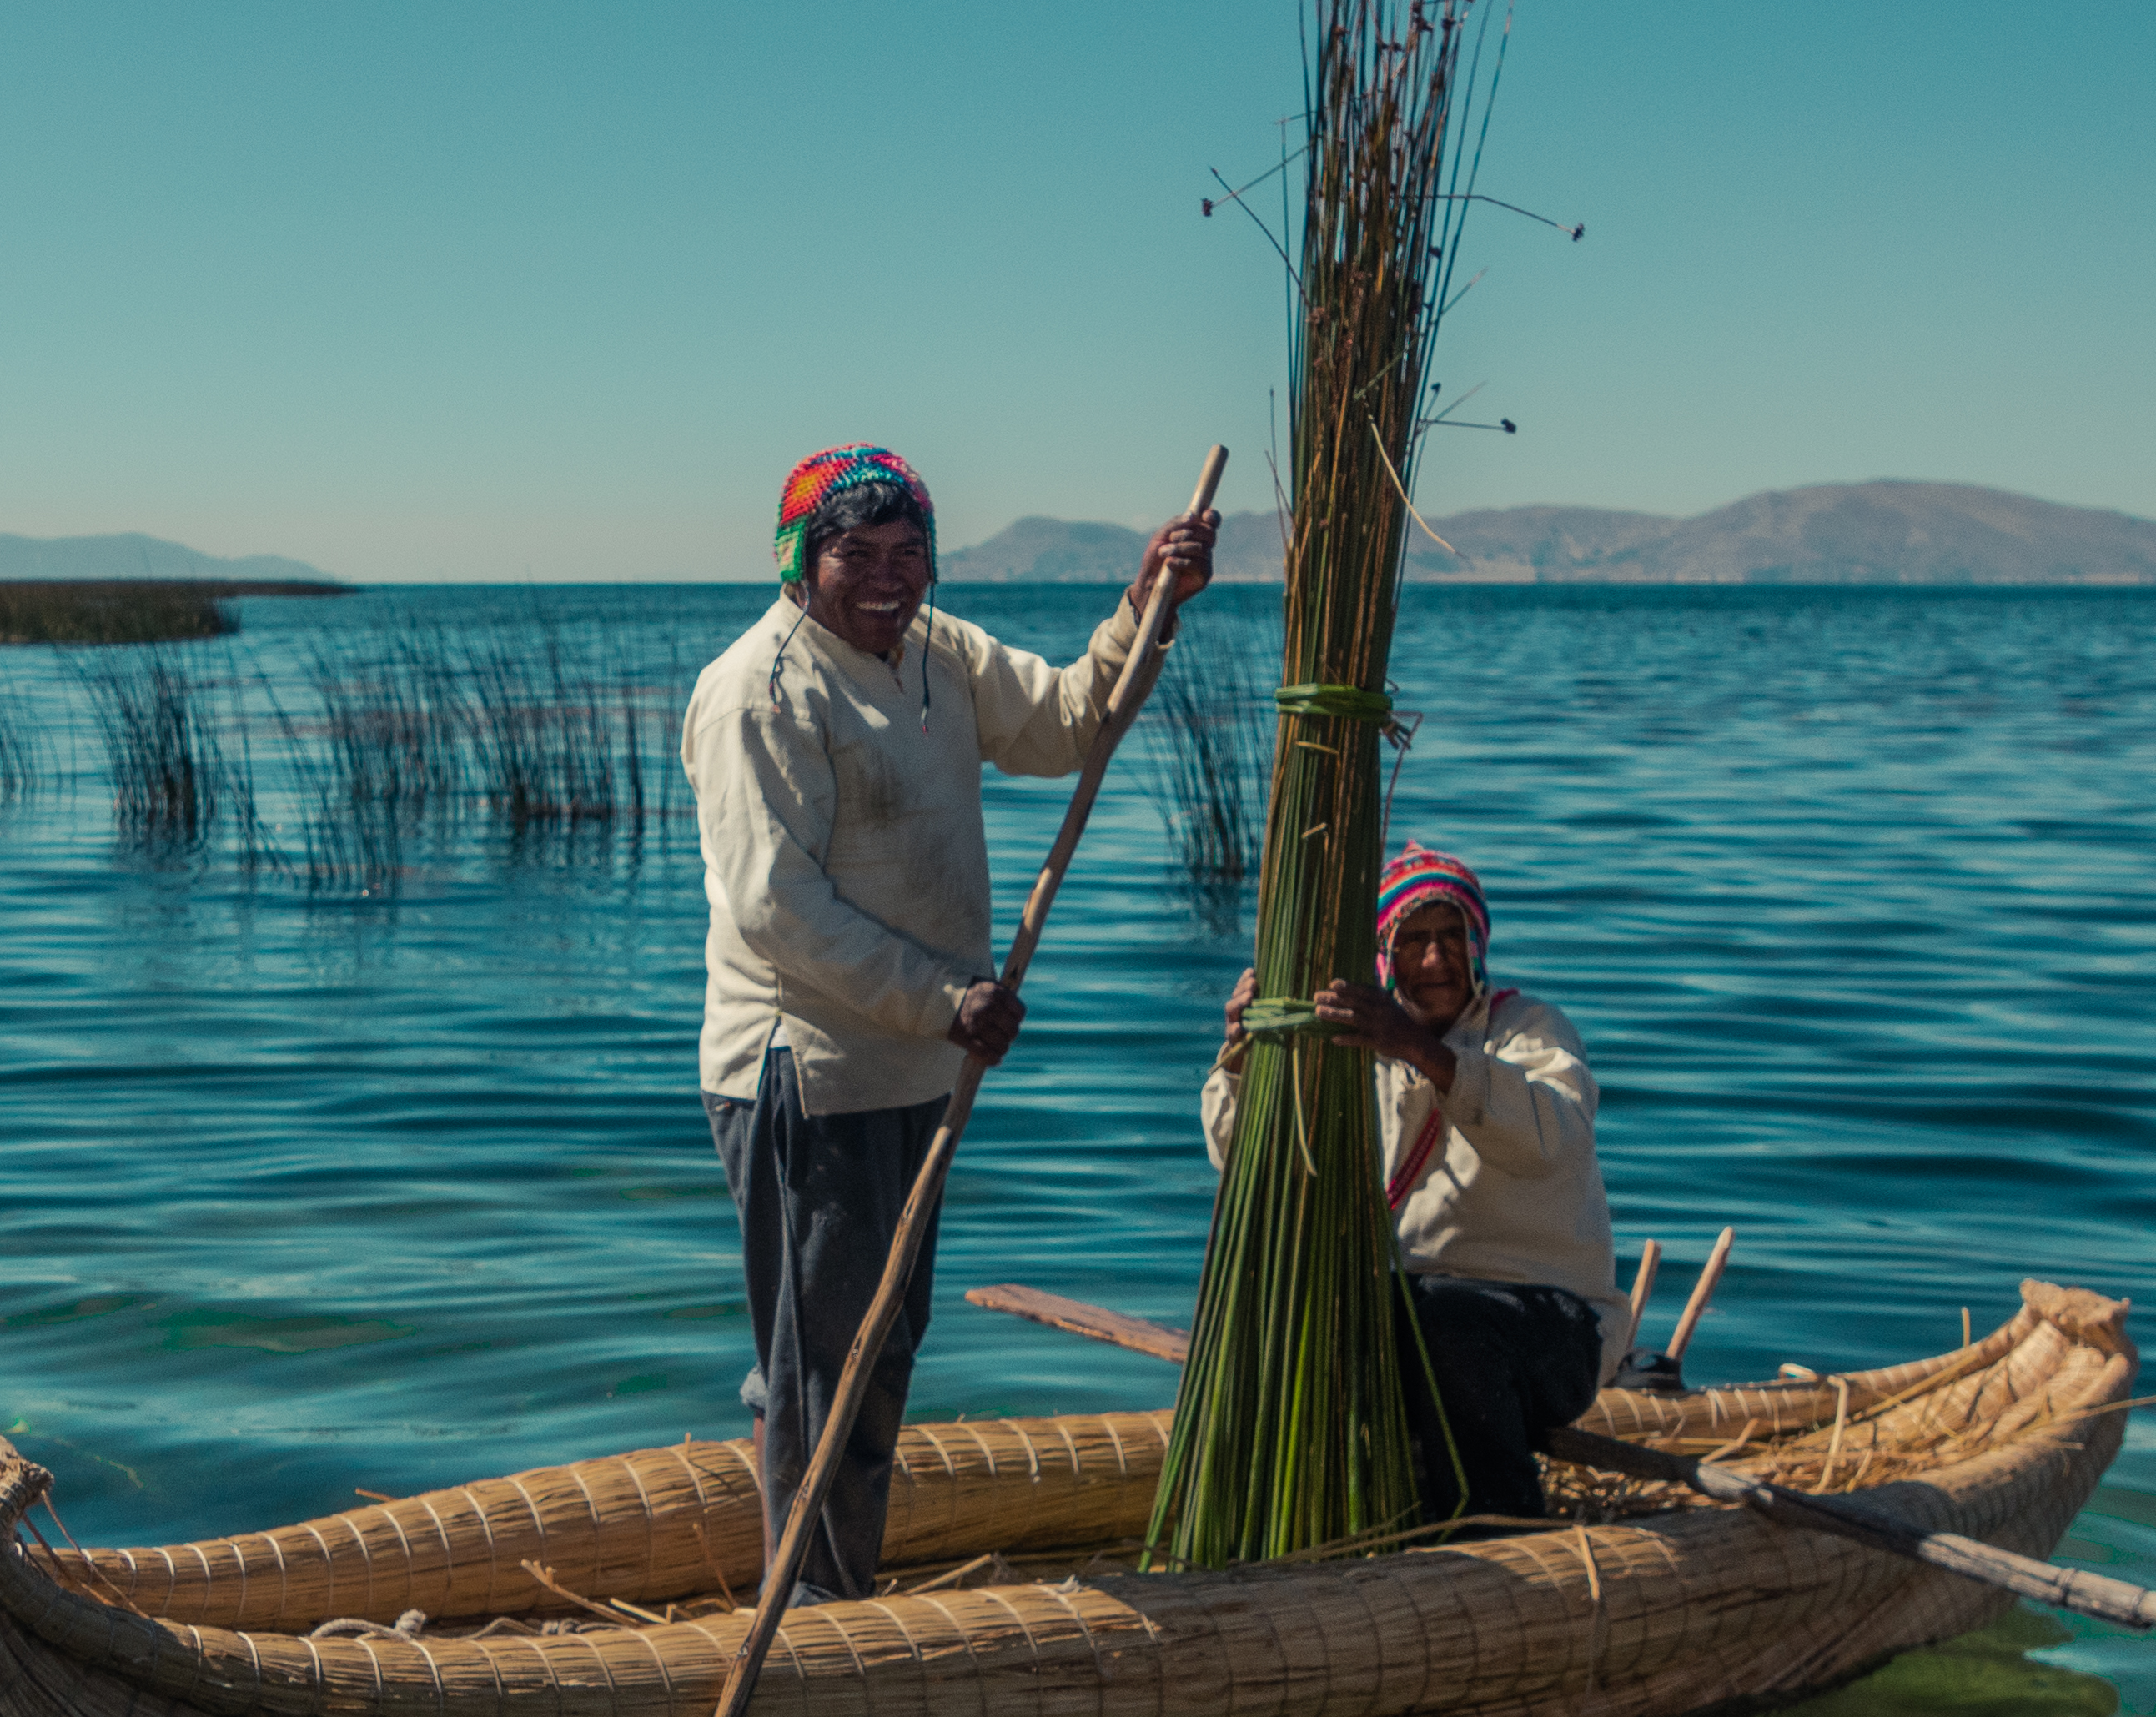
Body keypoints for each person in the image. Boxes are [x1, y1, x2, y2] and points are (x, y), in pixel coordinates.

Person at [687, 444, 1219, 1603]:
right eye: (855, 554)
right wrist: (945, 996)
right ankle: (814, 1611)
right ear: (799, 561)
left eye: (908, 552)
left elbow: (1070, 723)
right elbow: (780, 912)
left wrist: (1146, 606)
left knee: (877, 1348)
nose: (887, 577)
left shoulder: (940, 653)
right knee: (827, 1361)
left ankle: (831, 1572)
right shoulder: (761, 689)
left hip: (916, 1062)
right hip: (808, 1071)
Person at [1198, 843, 1627, 1527]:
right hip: (1411, 1310)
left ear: (1478, 942)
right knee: (1292, 1310)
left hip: (1550, 1324)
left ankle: (1500, 1526)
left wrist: (1422, 1052)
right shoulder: (1352, 1048)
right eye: (1413, 940)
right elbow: (1246, 1161)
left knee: (1443, 1322)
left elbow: (1552, 1136)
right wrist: (1246, 1059)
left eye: (1451, 936)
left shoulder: (1529, 1031)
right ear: (1384, 955)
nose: (1433, 960)